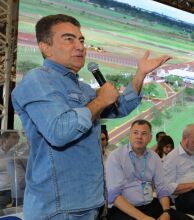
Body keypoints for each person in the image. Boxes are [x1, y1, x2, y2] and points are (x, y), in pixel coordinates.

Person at [11, 14, 171, 219]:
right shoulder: (38, 80)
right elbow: (59, 131)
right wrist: (99, 101)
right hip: (60, 208)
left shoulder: (82, 87)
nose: (80, 46)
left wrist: (140, 74)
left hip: (90, 202)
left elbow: (120, 107)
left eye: (81, 40)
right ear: (45, 47)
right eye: (69, 39)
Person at [106, 120, 190, 220]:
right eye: (135, 132)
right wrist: (143, 218)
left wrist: (166, 212)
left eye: (144, 133)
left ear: (150, 138)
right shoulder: (116, 156)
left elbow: (161, 189)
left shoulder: (154, 157)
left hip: (149, 205)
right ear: (130, 135)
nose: (139, 137)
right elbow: (114, 196)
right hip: (123, 209)